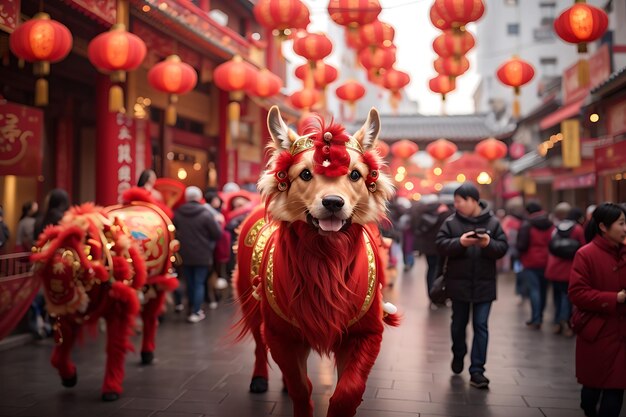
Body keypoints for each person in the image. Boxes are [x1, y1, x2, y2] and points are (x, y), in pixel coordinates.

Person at [436, 183, 508, 389]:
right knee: (458, 325)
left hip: (485, 286)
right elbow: (440, 245)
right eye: (456, 202)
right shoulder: (451, 222)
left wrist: (488, 244)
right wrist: (460, 243)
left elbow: (502, 248)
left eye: (460, 201)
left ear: (473, 201)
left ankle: (477, 370)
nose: (456, 205)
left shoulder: (493, 223)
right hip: (458, 285)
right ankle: (458, 354)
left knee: (481, 326)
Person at [569, 203, 626, 417]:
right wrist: (615, 298)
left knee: (615, 389)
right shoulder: (586, 254)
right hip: (597, 332)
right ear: (603, 226)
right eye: (621, 223)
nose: (625, 228)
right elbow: (577, 293)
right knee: (590, 393)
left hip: (622, 333)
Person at [173, 186, 221, 323]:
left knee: (190, 282)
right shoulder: (206, 214)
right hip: (202, 254)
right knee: (199, 282)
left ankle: (190, 309)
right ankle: (196, 312)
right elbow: (217, 233)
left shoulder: (177, 213)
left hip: (184, 254)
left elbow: (173, 231)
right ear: (200, 198)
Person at [545, 204, 586, 337]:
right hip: (569, 269)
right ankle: (567, 322)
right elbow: (583, 248)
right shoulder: (577, 229)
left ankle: (557, 322)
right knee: (567, 297)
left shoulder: (555, 228)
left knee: (556, 296)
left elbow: (549, 246)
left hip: (554, 268)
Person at [516, 201, 553, 329]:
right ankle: (540, 316)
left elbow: (521, 245)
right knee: (543, 290)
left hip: (531, 261)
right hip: (547, 260)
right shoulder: (550, 224)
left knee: (534, 290)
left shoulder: (527, 225)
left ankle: (536, 318)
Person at [412, 194, 452, 306]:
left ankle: (431, 294)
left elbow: (416, 226)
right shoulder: (445, 213)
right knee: (438, 270)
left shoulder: (422, 211)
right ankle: (437, 294)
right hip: (439, 247)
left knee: (430, 269)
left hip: (427, 247)